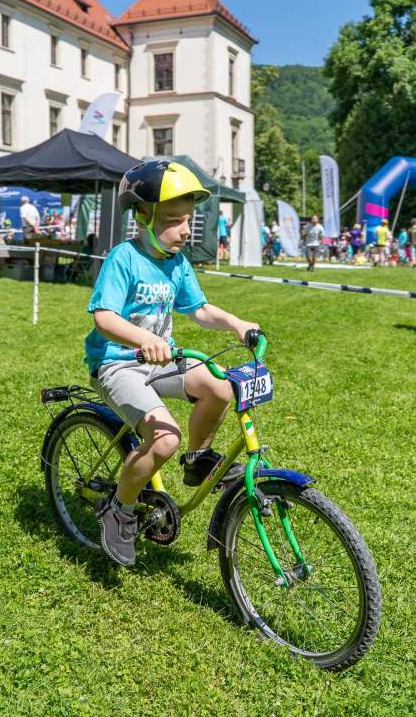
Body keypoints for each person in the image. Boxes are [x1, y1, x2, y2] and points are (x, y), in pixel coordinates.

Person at [86, 160, 260, 567]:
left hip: (162, 360)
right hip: (118, 364)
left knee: (220, 387)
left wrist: (235, 323)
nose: (185, 230)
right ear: (143, 217)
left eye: (188, 220)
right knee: (164, 439)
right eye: (173, 221)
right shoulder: (123, 258)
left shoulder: (177, 263)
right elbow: (104, 317)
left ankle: (199, 460)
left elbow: (197, 309)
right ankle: (120, 509)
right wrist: (145, 338)